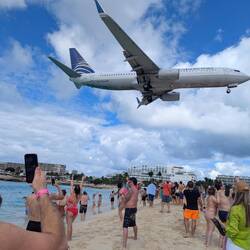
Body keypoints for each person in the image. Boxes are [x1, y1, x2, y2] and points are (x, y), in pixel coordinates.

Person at [0, 167, 67, 250]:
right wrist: (57, 187)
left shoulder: (28, 197)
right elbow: (61, 197)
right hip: (41, 224)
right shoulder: (48, 196)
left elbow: (26, 211)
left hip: (30, 223)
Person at [226, 181, 250, 250]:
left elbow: (233, 232)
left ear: (237, 193)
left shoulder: (236, 209)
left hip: (235, 244)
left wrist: (226, 228)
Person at [66, 175, 85, 241]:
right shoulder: (80, 195)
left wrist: (72, 178)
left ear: (74, 189)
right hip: (75, 210)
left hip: (70, 210)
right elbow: (81, 186)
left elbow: (71, 184)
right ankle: (69, 238)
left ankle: (68, 238)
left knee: (69, 225)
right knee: (70, 225)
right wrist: (82, 179)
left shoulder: (72, 193)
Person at [122, 177, 139, 249]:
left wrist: (123, 196)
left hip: (129, 209)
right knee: (133, 223)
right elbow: (136, 199)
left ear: (132, 182)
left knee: (125, 226)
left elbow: (126, 199)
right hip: (134, 209)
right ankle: (135, 237)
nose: (128, 183)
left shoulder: (131, 190)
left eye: (129, 182)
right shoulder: (136, 190)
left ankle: (124, 246)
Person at [216, 182, 231, 248]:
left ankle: (219, 245)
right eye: (223, 184)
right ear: (221, 186)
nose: (224, 185)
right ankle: (224, 246)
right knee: (227, 230)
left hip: (221, 212)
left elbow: (218, 202)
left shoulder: (218, 192)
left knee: (222, 230)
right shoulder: (230, 191)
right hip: (228, 212)